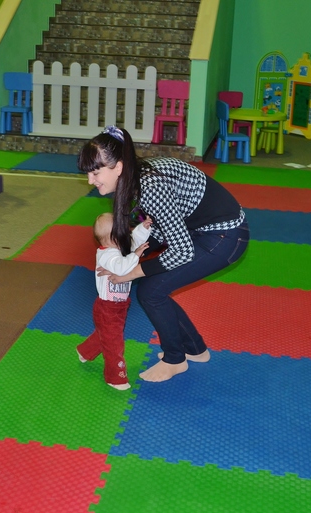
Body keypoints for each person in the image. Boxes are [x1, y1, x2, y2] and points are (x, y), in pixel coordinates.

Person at [77, 125, 250, 383]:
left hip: (226, 236)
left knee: (151, 291)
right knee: (152, 287)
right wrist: (123, 262)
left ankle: (175, 359)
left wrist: (130, 274)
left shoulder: (150, 186)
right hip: (203, 231)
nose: (91, 181)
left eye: (95, 172)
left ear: (118, 167)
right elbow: (160, 227)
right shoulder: (137, 178)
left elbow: (181, 250)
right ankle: (195, 349)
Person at [76, 212, 151, 390]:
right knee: (114, 343)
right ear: (113, 237)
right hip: (107, 308)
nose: (127, 232)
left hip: (120, 306)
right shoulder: (107, 255)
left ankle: (85, 351)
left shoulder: (119, 248)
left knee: (105, 335)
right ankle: (115, 377)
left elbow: (134, 241)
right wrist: (136, 255)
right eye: (122, 230)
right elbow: (122, 268)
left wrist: (143, 228)